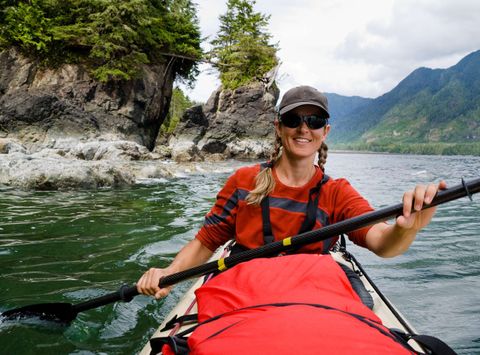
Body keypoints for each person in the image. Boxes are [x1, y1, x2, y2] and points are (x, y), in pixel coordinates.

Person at [137, 85, 446, 299]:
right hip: (244, 292)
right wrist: (169, 273)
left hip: (310, 297)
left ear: (325, 131)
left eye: (314, 121)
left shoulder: (336, 192)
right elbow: (206, 242)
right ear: (278, 127)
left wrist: (407, 229)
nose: (303, 128)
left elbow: (383, 243)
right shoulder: (244, 180)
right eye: (293, 119)